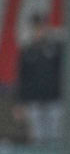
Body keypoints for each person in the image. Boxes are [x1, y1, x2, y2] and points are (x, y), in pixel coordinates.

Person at [14, 13, 64, 145]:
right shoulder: (28, 50)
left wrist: (67, 98)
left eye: (42, 27)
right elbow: (22, 78)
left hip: (55, 99)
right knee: (37, 137)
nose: (39, 31)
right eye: (37, 28)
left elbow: (64, 75)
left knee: (55, 136)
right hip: (34, 100)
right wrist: (20, 102)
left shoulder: (56, 49)